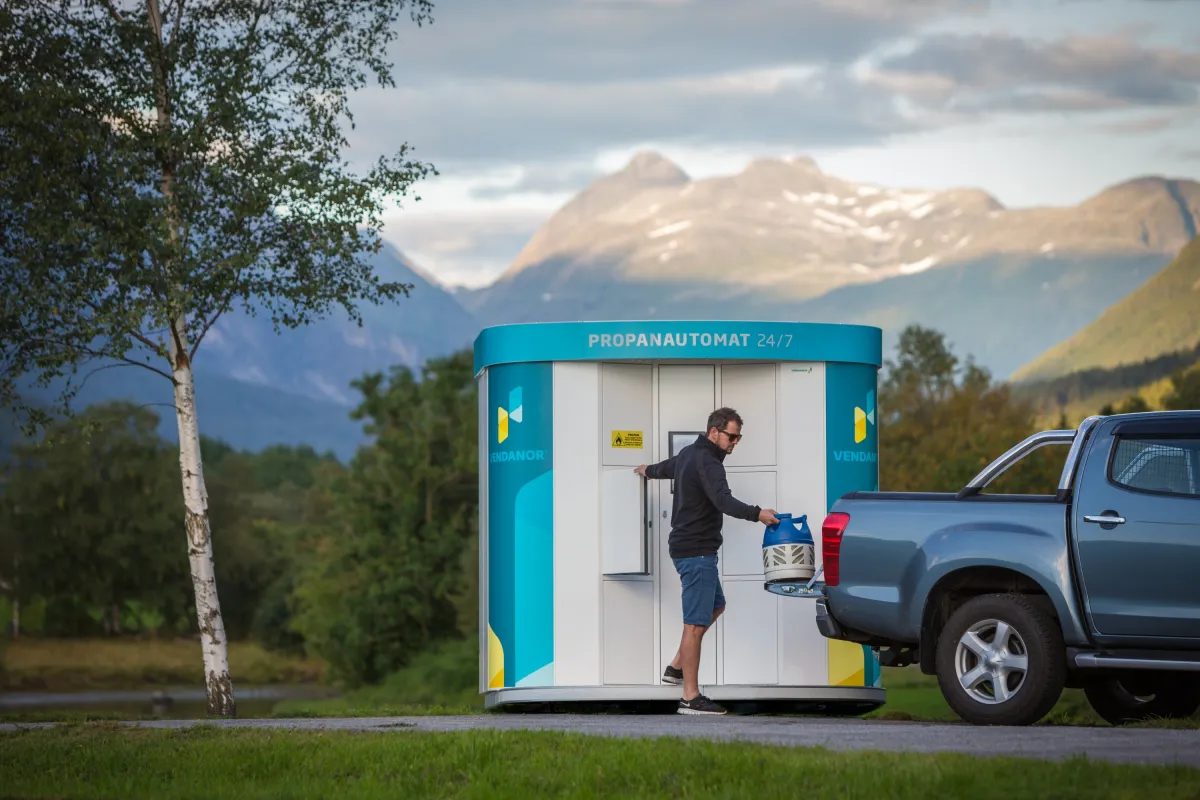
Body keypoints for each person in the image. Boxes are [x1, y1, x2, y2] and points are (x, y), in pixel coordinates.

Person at [634, 407, 779, 716]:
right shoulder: (709, 462)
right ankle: (690, 696)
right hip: (696, 551)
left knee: (715, 607)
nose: (735, 442)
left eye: (739, 437)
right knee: (695, 625)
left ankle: (675, 667)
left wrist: (648, 470)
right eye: (732, 436)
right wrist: (759, 514)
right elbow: (724, 501)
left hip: (691, 549)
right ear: (715, 432)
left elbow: (668, 467)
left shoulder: (690, 454)